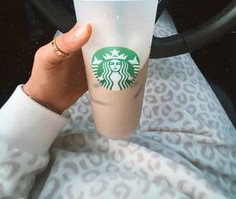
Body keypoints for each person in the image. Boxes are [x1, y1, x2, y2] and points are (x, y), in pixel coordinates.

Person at [0, 11, 235, 199]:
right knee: (152, 20)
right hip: (199, 157)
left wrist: (42, 101)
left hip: (56, 136)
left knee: (81, 18)